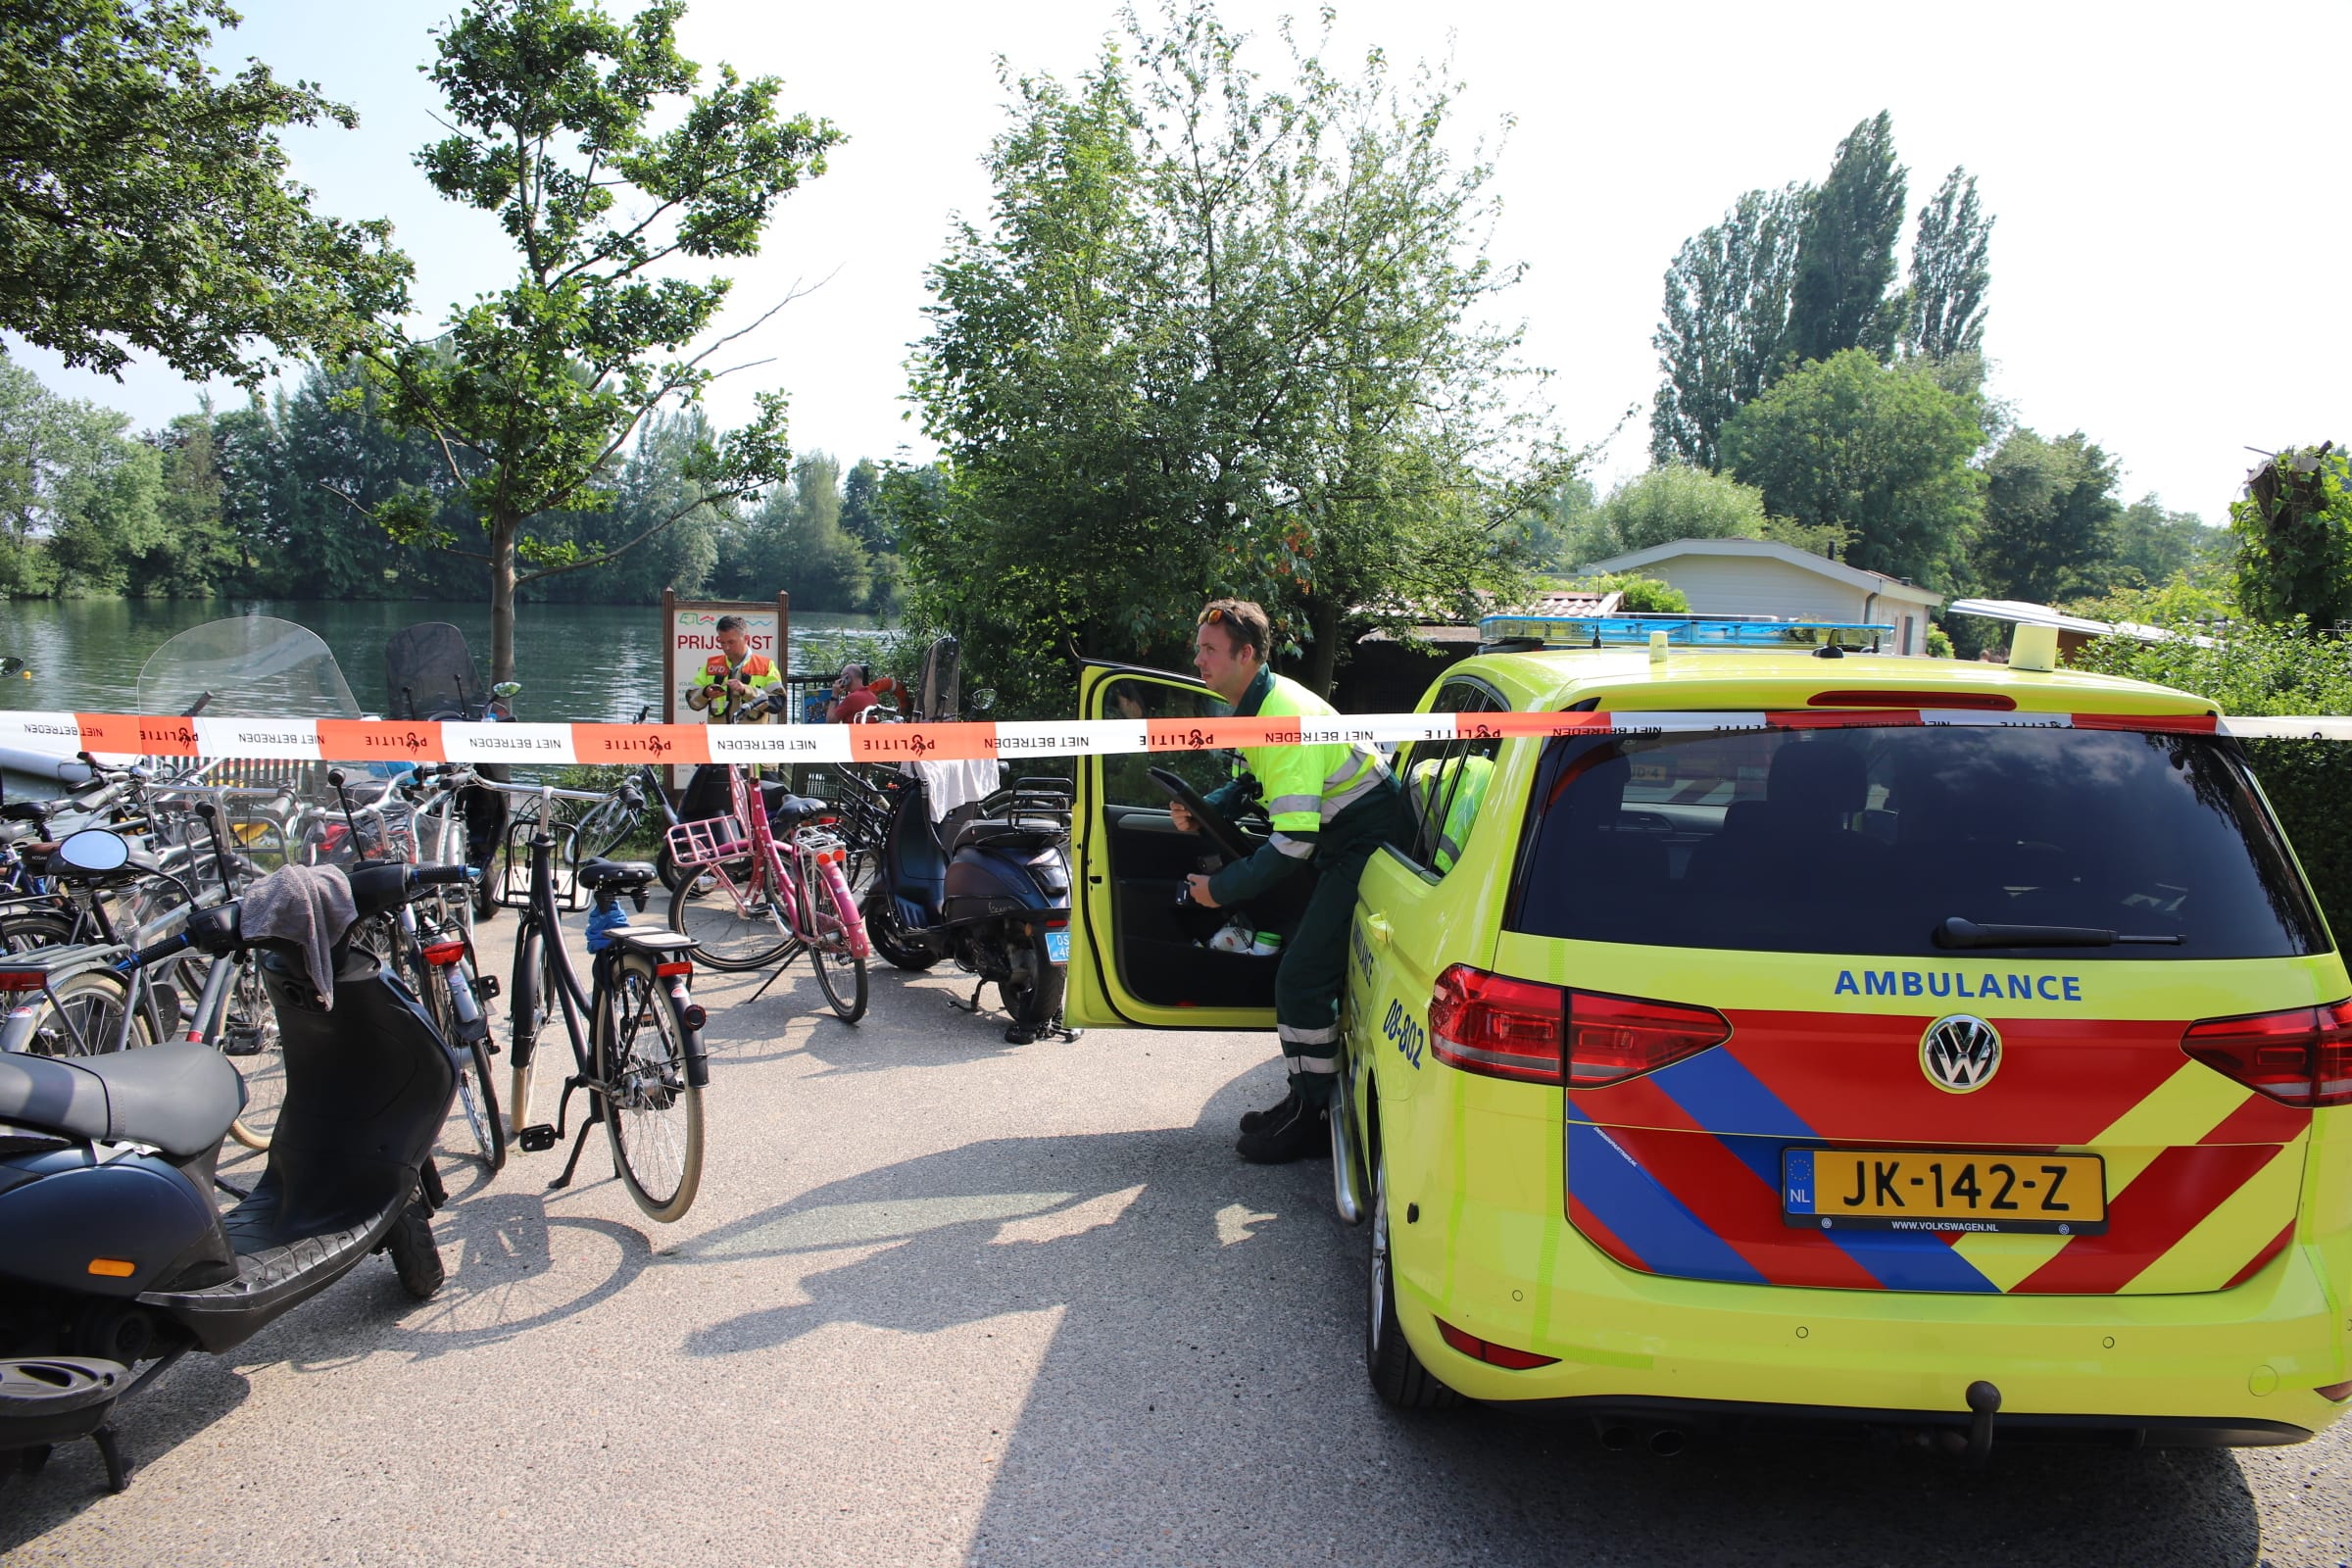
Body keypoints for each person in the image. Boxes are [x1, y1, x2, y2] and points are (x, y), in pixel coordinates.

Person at [1169, 599, 1407, 1164]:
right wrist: (1201, 807)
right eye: (1198, 648)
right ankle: (1306, 1098)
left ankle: (1313, 1116)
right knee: (1301, 971)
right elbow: (1250, 781)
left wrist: (1217, 892)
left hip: (1361, 844)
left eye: (1209, 650)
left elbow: (1292, 844)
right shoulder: (1254, 708)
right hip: (1339, 838)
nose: (1198, 660)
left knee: (1300, 979)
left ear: (1245, 654)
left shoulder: (1282, 719)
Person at [685, 615, 781, 724]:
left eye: (731, 642)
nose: (726, 647)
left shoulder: (766, 665)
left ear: (746, 639)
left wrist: (746, 691)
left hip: (751, 739)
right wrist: (705, 693)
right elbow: (692, 701)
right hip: (718, 739)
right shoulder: (711, 665)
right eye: (722, 642)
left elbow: (777, 703)